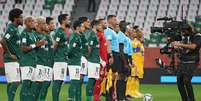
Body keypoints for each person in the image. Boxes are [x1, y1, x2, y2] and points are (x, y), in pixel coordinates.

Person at [171, 23, 201, 101]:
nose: (183, 33)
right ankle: (184, 99)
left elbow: (193, 46)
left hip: (192, 61)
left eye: (184, 31)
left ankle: (192, 99)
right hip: (183, 61)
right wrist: (177, 48)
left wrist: (180, 44)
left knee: (187, 80)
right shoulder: (185, 38)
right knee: (179, 80)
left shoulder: (197, 36)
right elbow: (184, 49)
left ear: (188, 30)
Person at [20, 16, 47, 101]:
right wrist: (36, 44)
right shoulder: (24, 33)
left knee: (32, 87)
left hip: (33, 63)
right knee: (26, 85)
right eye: (30, 21)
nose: (33, 23)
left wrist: (39, 44)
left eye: (33, 21)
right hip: (26, 62)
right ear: (26, 23)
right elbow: (23, 48)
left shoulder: (32, 34)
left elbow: (36, 46)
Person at [1, 8, 23, 101]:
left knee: (11, 82)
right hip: (10, 59)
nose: (22, 19)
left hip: (14, 59)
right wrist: (10, 54)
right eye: (21, 17)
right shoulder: (11, 28)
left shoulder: (15, 28)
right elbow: (3, 40)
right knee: (16, 81)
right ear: (15, 18)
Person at [29, 17, 48, 101]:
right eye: (44, 23)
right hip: (36, 63)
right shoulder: (34, 35)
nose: (45, 25)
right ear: (39, 24)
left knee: (39, 85)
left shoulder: (43, 35)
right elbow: (31, 47)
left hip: (42, 63)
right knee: (35, 85)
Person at [52, 14, 70, 101]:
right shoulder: (59, 31)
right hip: (59, 60)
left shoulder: (63, 31)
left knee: (60, 81)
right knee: (58, 81)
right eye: (68, 19)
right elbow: (55, 45)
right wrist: (53, 57)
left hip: (63, 59)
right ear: (63, 21)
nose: (69, 21)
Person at [68, 20, 85, 101]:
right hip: (73, 62)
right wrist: (71, 57)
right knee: (74, 81)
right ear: (78, 27)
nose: (83, 28)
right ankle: (70, 99)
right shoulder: (74, 36)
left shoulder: (78, 36)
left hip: (77, 62)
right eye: (82, 26)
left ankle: (72, 98)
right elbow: (70, 49)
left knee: (76, 81)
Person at [39, 17, 55, 101]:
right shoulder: (44, 36)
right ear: (47, 25)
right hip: (45, 64)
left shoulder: (49, 36)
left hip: (49, 63)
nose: (54, 25)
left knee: (46, 84)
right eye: (52, 23)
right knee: (44, 84)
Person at [126, 26, 144, 98]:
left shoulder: (139, 42)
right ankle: (128, 91)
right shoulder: (133, 42)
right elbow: (131, 53)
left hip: (139, 63)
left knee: (136, 78)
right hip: (134, 63)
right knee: (131, 77)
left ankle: (135, 91)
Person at [104, 15, 118, 101]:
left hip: (115, 54)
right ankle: (108, 96)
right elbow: (108, 43)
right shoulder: (108, 31)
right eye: (114, 19)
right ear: (109, 20)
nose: (116, 20)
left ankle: (111, 95)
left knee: (113, 76)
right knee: (110, 75)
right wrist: (110, 55)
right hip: (112, 54)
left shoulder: (112, 31)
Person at [93, 18, 108, 101]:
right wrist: (101, 60)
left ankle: (97, 97)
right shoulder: (99, 35)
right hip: (100, 61)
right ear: (99, 25)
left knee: (101, 79)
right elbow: (96, 48)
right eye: (104, 23)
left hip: (104, 60)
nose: (106, 24)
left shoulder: (102, 34)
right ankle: (96, 98)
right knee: (98, 79)